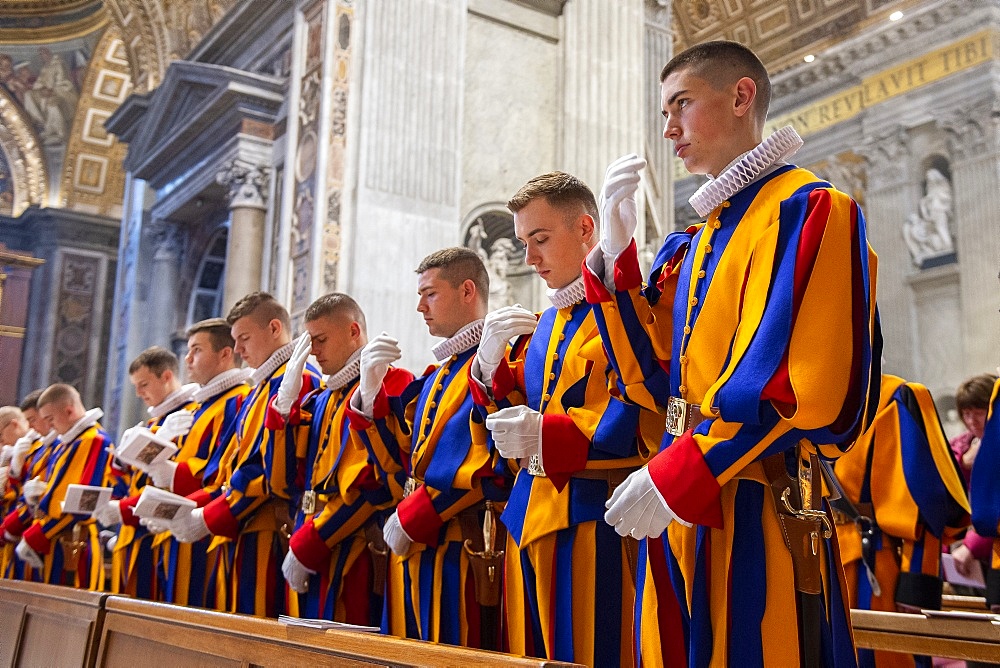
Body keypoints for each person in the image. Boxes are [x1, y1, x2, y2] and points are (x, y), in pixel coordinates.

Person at [585, 40, 880, 666]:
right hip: (678, 498)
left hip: (755, 500)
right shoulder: (699, 239)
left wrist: (680, 471)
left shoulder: (810, 209)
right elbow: (655, 379)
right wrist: (616, 269)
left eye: (681, 105)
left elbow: (793, 383)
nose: (668, 129)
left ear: (741, 96)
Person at [471, 173, 655, 666]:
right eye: (523, 242)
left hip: (591, 515)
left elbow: (637, 407)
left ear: (586, 229)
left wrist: (547, 434)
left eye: (540, 239)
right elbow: (523, 401)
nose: (529, 258)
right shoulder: (551, 318)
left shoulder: (623, 308)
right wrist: (487, 371)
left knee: (590, 654)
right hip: (526, 513)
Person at [348, 247, 509, 650]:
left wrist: (413, 517)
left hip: (459, 544)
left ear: (467, 290)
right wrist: (368, 397)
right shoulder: (437, 374)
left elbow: (489, 463)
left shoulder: (498, 360)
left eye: (430, 294)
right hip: (416, 540)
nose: (419, 306)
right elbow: (402, 460)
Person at [169, 292, 320, 617]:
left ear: (275, 328)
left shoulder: (296, 380)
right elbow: (232, 466)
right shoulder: (261, 388)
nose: (237, 349)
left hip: (269, 530)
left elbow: (266, 469)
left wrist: (209, 516)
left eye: (244, 338)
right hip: (241, 527)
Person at [279, 293, 412, 624]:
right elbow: (287, 479)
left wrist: (311, 542)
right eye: (309, 342)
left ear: (354, 331)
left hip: (354, 548)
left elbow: (377, 483)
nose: (314, 352)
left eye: (320, 340)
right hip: (307, 537)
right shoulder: (320, 398)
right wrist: (284, 409)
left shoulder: (393, 382)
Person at [831, 374, 968, 668]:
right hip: (821, 557)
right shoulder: (806, 401)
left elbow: (925, 505)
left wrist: (916, 582)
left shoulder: (894, 397)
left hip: (876, 564)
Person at [140, 319, 251, 608]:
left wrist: (170, 475)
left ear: (226, 354)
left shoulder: (237, 401)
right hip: (177, 529)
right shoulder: (202, 406)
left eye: (196, 351)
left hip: (205, 529)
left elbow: (218, 474)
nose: (187, 360)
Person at [99, 346, 198, 600]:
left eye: (143, 384)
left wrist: (122, 509)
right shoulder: (156, 421)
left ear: (166, 377)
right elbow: (130, 479)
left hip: (168, 532)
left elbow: (173, 481)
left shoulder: (188, 414)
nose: (138, 393)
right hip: (138, 531)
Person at [0, 384, 115, 590]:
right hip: (52, 540)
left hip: (72, 542)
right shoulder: (67, 442)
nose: (49, 427)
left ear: (69, 411)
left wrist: (36, 534)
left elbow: (79, 503)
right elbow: (55, 491)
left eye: (50, 419)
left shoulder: (93, 440)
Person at [949, 373, 998, 583]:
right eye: (966, 413)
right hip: (956, 544)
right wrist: (963, 463)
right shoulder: (959, 446)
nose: (972, 421)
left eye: (979, 413)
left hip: (989, 545)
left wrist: (972, 544)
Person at [0, 406, 29, 577]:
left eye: (1, 436)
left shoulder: (32, 449)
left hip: (21, 532)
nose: (2, 443)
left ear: (14, 425)